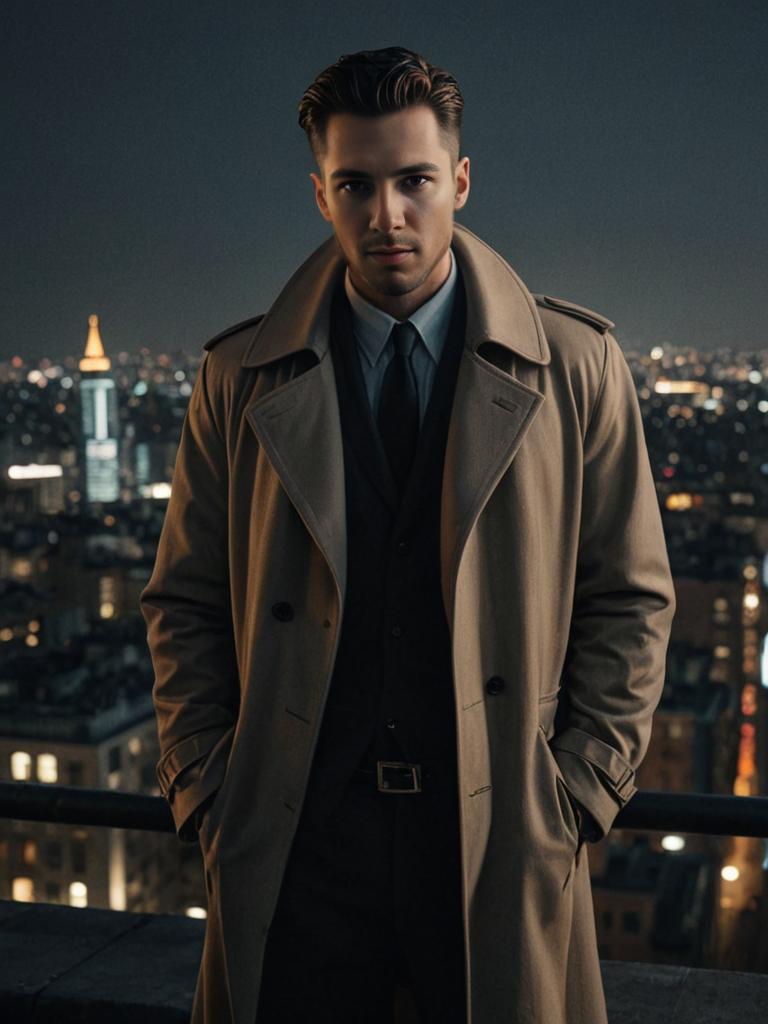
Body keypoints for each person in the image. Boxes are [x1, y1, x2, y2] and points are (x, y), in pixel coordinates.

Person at [140, 45, 676, 1024]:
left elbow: (632, 598)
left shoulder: (579, 368)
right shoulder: (237, 379)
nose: (387, 214)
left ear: (460, 181)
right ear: (320, 193)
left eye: (414, 181)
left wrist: (576, 793)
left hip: (496, 834)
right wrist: (213, 791)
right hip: (300, 843)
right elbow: (183, 600)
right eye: (357, 184)